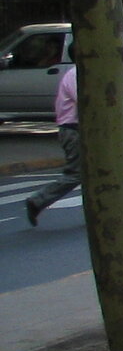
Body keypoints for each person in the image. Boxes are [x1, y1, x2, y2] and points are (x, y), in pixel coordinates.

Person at [23, 58, 83, 226]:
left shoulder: (80, 74)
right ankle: (38, 200)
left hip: (76, 129)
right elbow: (84, 101)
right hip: (73, 129)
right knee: (77, 173)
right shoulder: (76, 75)